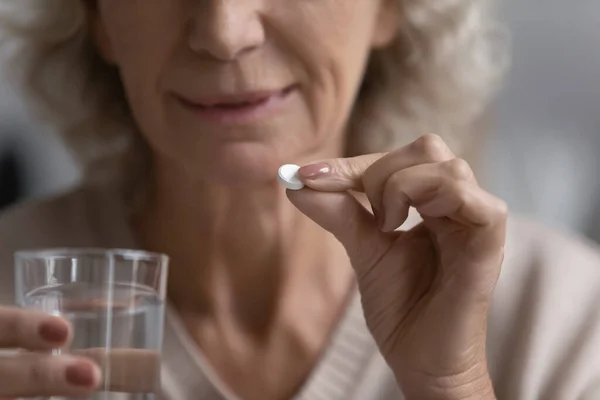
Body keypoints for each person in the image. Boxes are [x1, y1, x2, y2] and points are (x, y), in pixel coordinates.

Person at [0, 1, 598, 399]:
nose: (224, 33)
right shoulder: (13, 307)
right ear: (98, 17)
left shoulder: (564, 320)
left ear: (390, 7)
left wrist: (453, 385)